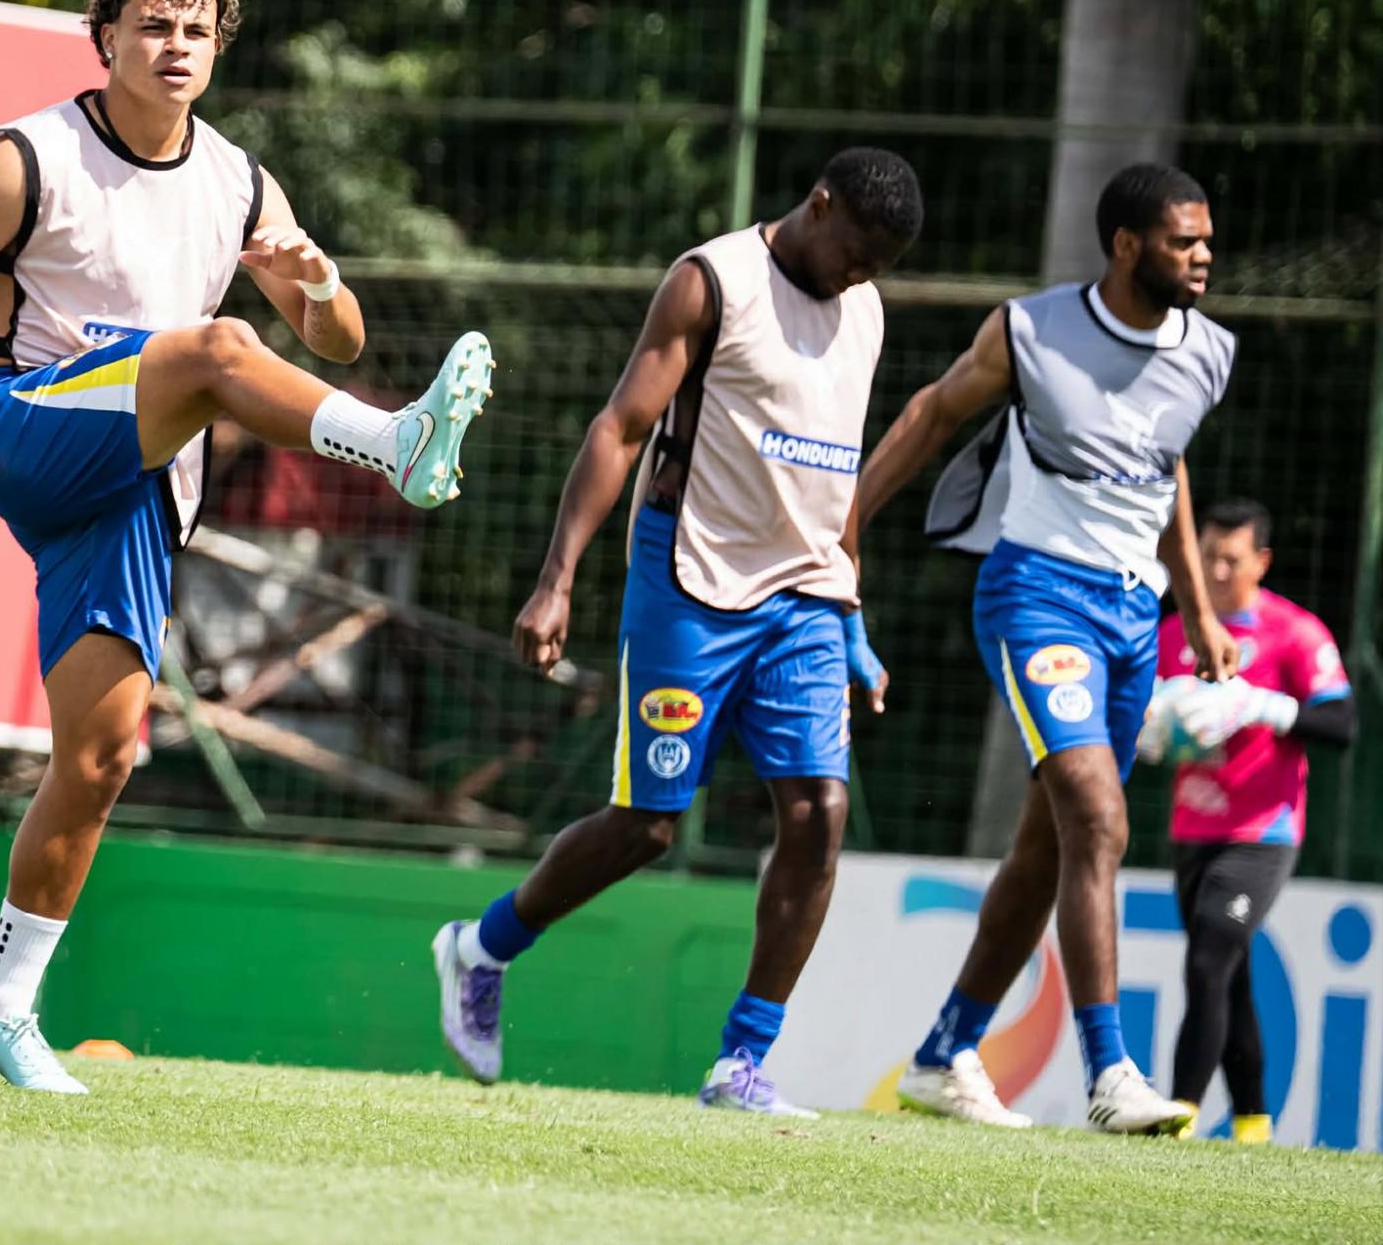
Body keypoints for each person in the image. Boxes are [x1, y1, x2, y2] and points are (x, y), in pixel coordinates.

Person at [0, 0, 494, 1094]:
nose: (173, 47)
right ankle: (396, 443)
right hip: (26, 429)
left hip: (140, 481)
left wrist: (312, 282)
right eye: (152, 26)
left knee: (101, 753)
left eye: (195, 31)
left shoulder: (238, 179)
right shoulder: (29, 158)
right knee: (216, 351)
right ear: (105, 36)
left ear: (219, 48)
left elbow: (338, 337)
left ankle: (0, 1002)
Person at [432, 149, 923, 1116]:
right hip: (690, 577)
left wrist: (852, 608)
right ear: (816, 202)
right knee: (648, 825)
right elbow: (620, 427)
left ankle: (742, 1063)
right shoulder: (713, 283)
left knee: (818, 814)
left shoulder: (862, 309)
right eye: (854, 254)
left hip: (805, 600)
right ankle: (481, 946)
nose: (858, 277)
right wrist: (555, 578)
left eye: (877, 267)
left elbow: (840, 478)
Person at [859, 162, 1238, 1135]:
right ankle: (1109, 1072)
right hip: (1034, 593)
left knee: (1045, 849)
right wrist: (838, 530)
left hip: (1129, 615)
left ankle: (945, 1054)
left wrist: (1193, 605)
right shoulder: (1028, 330)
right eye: (1180, 239)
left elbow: (1168, 467)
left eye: (1204, 238)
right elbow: (931, 413)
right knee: (1096, 814)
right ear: (1123, 245)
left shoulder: (1206, 352)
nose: (1201, 254)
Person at [1141, 497, 1354, 1142]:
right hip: (1194, 829)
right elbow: (1142, 722)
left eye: (1229, 559)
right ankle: (1255, 1123)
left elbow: (1343, 725)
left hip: (1263, 834)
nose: (1214, 570)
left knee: (1208, 962)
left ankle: (1176, 1115)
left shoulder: (1295, 632)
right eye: (1204, 556)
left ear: (1261, 562)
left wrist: (1263, 706)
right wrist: (1149, 732)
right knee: (1228, 978)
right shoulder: (1174, 633)